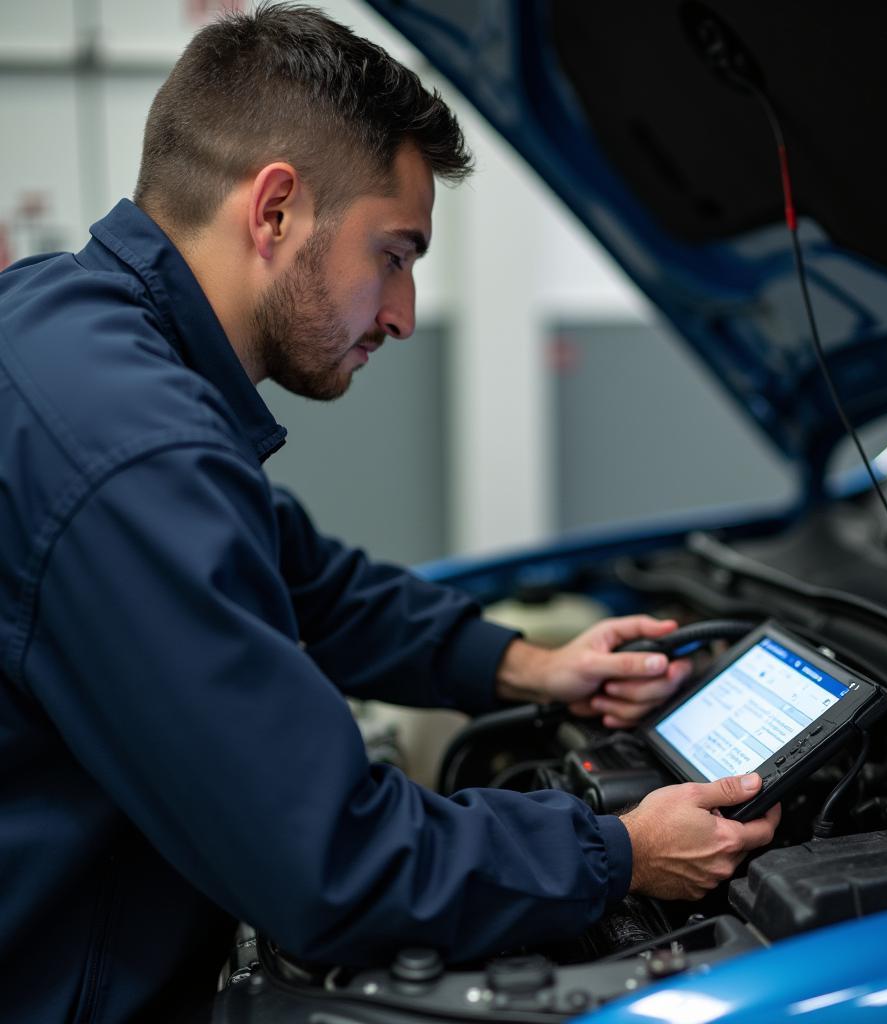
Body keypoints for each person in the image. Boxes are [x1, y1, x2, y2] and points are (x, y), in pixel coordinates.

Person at [0, 4, 780, 1021]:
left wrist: (528, 665)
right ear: (274, 209)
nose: (403, 314)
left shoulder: (69, 327)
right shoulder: (133, 449)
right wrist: (620, 851)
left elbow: (298, 577)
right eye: (395, 253)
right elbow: (333, 865)